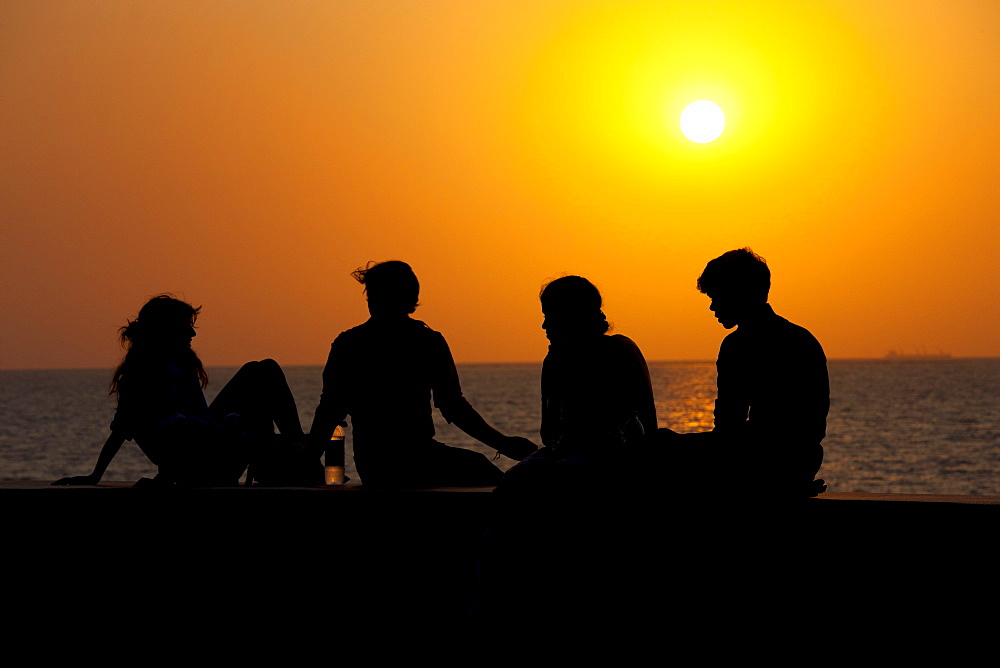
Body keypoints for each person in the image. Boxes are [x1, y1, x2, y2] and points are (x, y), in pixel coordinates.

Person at [307, 260, 536, 488]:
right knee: (485, 471)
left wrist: (308, 460)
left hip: (373, 466)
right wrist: (502, 443)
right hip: (418, 458)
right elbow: (453, 406)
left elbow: (329, 409)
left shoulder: (348, 343)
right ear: (411, 298)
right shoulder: (427, 341)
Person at [53, 295, 312, 487]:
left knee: (262, 369)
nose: (192, 333)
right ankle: (298, 454)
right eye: (185, 326)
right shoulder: (142, 373)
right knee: (260, 380)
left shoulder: (183, 364)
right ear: (164, 330)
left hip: (213, 445)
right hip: (201, 465)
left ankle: (296, 446)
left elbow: (201, 420)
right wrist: (95, 476)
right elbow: (125, 428)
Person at [659, 248, 829, 496]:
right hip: (802, 462)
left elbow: (729, 425)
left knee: (660, 446)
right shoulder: (803, 339)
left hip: (761, 464)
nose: (712, 306)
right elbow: (811, 427)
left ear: (738, 293)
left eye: (716, 296)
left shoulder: (738, 344)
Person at [497, 275, 657, 493]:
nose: (544, 324)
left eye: (549, 315)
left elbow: (552, 433)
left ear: (570, 316)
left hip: (612, 466)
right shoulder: (619, 349)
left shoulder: (614, 352)